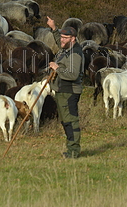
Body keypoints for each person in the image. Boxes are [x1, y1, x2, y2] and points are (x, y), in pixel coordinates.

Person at [47, 16, 84, 159]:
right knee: (65, 121)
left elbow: (73, 74)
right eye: (61, 37)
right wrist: (54, 28)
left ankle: (74, 151)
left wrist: (57, 69)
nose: (62, 40)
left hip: (69, 91)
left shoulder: (75, 54)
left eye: (65, 38)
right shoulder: (68, 47)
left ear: (73, 39)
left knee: (71, 121)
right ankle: (71, 149)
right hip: (62, 90)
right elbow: (60, 42)